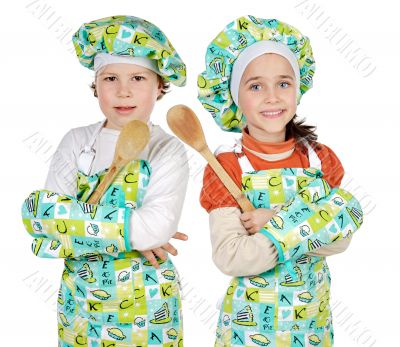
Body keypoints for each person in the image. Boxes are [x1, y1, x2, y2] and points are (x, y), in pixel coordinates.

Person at [21, 15, 188, 346]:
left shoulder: (166, 148)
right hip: (81, 302)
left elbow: (155, 227)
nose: (123, 90)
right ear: (96, 84)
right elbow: (43, 218)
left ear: (159, 86)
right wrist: (132, 233)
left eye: (138, 77)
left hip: (149, 305)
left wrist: (74, 227)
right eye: (110, 77)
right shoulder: (76, 140)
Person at [198, 15, 364, 346]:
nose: (272, 97)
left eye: (284, 83)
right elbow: (233, 256)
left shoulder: (320, 159)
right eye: (256, 86)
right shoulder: (226, 167)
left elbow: (342, 239)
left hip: (311, 326)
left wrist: (271, 219)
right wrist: (310, 228)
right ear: (233, 97)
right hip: (247, 327)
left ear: (298, 88)